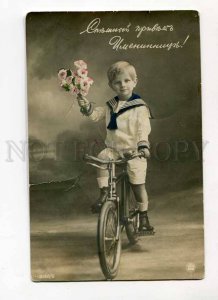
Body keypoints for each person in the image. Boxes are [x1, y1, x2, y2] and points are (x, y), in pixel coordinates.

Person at [77, 61, 154, 233]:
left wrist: (143, 146)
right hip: (114, 149)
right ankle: (104, 193)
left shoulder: (140, 107)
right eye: (117, 82)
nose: (122, 85)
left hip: (134, 151)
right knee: (102, 159)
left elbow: (143, 128)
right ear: (111, 85)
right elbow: (96, 115)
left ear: (135, 81)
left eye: (127, 81)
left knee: (137, 184)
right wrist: (86, 105)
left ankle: (143, 217)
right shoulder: (110, 105)